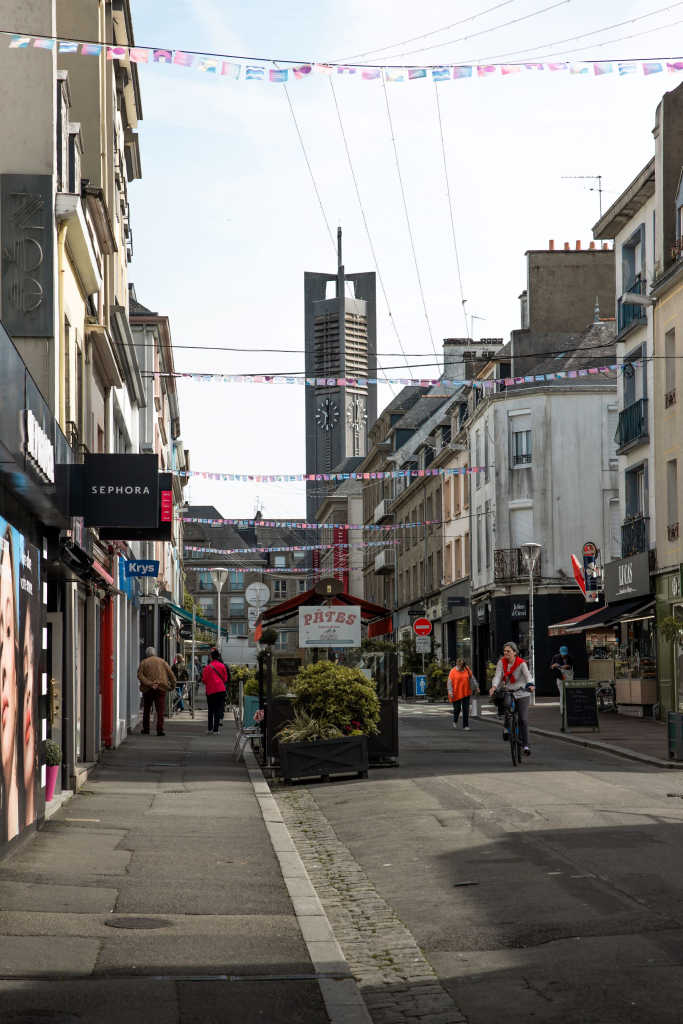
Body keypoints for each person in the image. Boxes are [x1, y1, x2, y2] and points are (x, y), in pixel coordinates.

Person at [489, 641, 535, 756]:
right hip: (508, 690)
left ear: (515, 652)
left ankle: (526, 746)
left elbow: (527, 675)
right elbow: (498, 675)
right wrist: (494, 686)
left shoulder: (521, 663)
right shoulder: (501, 662)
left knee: (523, 719)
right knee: (508, 705)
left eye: (508, 651)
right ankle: (506, 727)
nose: (506, 653)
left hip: (521, 692)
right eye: (504, 651)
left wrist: (530, 684)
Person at [137, 647, 176, 736]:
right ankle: (159, 730)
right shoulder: (162, 662)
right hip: (161, 688)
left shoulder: (143, 663)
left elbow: (139, 675)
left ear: (147, 654)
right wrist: (172, 686)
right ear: (154, 653)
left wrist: (150, 684)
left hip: (148, 689)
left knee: (147, 709)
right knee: (160, 710)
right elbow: (171, 675)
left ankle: (146, 728)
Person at [447, 659, 478, 730]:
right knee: (457, 709)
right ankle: (455, 720)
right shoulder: (453, 671)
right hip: (456, 693)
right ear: (458, 665)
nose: (463, 667)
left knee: (466, 709)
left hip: (466, 692)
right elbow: (449, 683)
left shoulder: (466, 669)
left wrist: (477, 686)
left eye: (464, 666)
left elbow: (472, 678)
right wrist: (451, 693)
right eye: (461, 666)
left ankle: (465, 725)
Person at [202, 648, 228, 734]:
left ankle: (209, 729)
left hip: (210, 690)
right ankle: (216, 730)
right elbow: (225, 679)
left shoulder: (207, 668)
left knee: (210, 710)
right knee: (218, 709)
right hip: (220, 689)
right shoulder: (222, 666)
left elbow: (204, 680)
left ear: (211, 657)